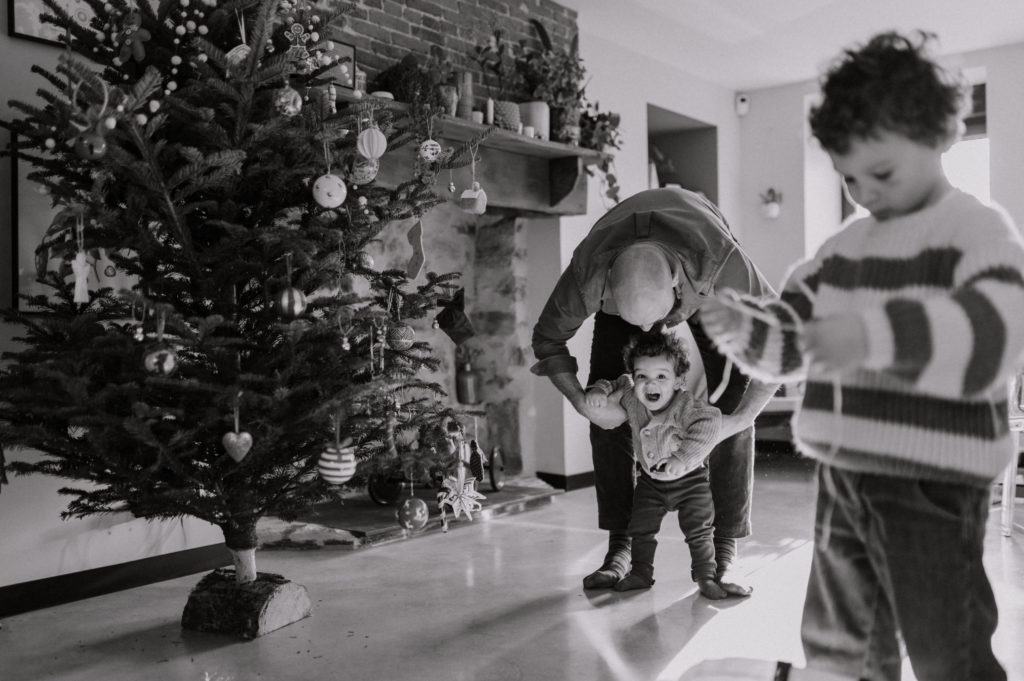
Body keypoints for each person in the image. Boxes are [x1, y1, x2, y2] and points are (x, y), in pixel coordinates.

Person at [700, 30, 1024, 681]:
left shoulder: (975, 229)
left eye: (881, 173)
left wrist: (872, 336)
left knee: (945, 644)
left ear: (939, 137)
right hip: (844, 472)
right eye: (848, 178)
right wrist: (746, 329)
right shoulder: (842, 250)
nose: (865, 193)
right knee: (839, 637)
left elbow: (994, 334)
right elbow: (794, 336)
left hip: (934, 479)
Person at [531, 186, 780, 593]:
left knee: (730, 405)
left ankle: (726, 550)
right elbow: (547, 340)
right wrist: (581, 402)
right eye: (640, 323)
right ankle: (620, 548)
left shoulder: (718, 261)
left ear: (675, 283)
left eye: (657, 319)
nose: (651, 332)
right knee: (605, 417)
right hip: (630, 292)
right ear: (607, 285)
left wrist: (743, 418)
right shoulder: (587, 272)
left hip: (708, 297)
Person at [584, 329, 751, 599]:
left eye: (661, 376)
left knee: (698, 533)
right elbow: (613, 382)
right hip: (650, 483)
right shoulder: (631, 395)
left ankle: (706, 576)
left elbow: (710, 423)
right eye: (642, 377)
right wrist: (598, 391)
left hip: (691, 483)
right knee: (641, 530)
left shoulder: (686, 405)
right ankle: (640, 572)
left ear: (678, 381)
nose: (651, 385)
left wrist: (682, 458)